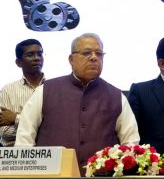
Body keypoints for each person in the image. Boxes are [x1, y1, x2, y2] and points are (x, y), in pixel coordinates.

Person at [15, 33, 139, 171]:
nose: (94, 58)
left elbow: (130, 142)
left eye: (99, 53)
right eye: (86, 53)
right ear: (71, 59)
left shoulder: (116, 95)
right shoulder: (45, 91)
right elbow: (24, 139)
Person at [0, 39, 45, 147]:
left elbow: (56, 128)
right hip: (14, 155)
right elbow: (5, 132)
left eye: (40, 54)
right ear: (18, 63)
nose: (37, 58)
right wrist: (43, 128)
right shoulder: (8, 90)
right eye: (30, 55)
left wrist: (16, 118)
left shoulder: (53, 88)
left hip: (47, 153)